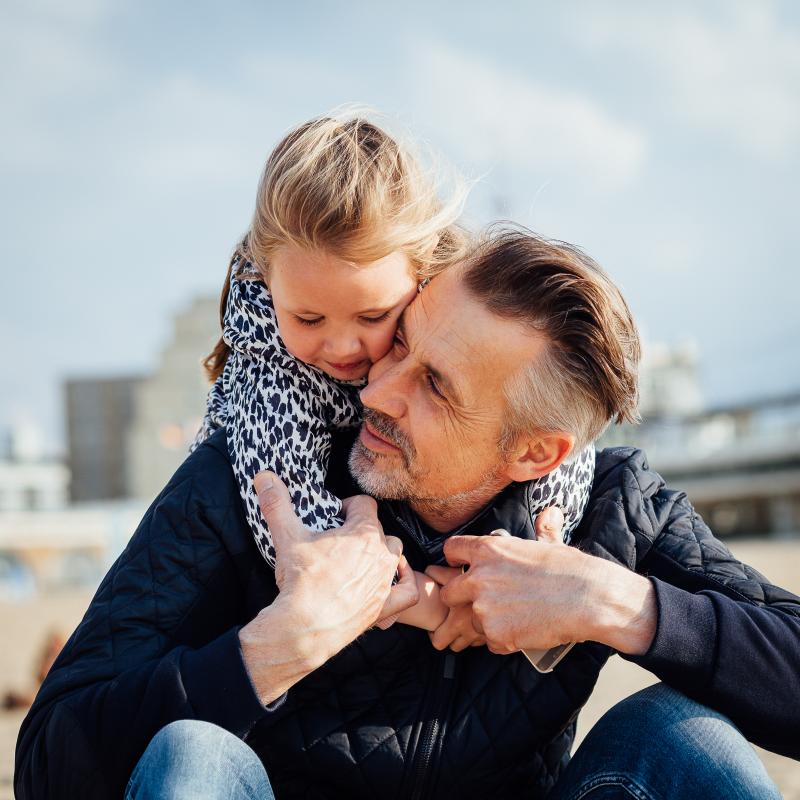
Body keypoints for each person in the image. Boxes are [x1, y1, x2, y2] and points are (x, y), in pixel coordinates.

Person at [16, 225, 798, 799]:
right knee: (193, 757)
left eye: (438, 387)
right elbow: (46, 764)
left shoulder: (611, 512)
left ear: (534, 455)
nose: (376, 392)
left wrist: (615, 604)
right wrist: (278, 646)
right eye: (403, 346)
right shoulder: (248, 485)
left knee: (681, 738)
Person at [193, 111, 595, 634]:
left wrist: (542, 543)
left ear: (421, 273)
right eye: (307, 318)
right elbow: (295, 532)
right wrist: (429, 602)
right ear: (267, 281)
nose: (341, 346)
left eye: (374, 316)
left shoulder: (452, 312)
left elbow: (554, 424)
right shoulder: (272, 376)